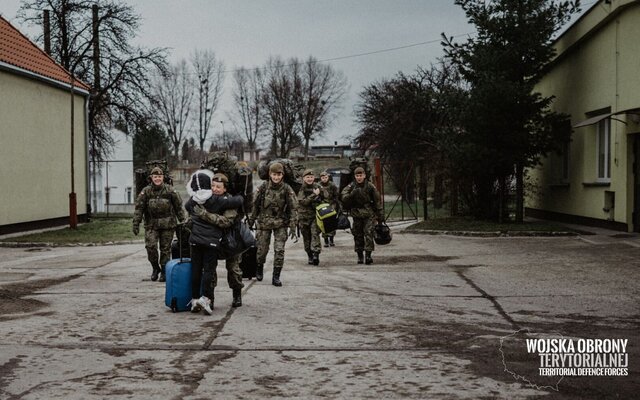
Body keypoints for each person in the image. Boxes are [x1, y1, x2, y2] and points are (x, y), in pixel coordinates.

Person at [184, 171, 244, 314]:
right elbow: (191, 212)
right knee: (209, 272)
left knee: (234, 270)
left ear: (225, 188)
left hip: (229, 241)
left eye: (219, 187)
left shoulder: (227, 201)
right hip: (211, 240)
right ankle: (209, 300)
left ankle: (237, 294)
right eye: (213, 186)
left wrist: (205, 215)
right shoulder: (206, 199)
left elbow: (226, 222)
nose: (215, 189)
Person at [247, 162, 298, 286]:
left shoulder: (286, 188)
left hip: (281, 223)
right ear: (270, 174)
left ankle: (276, 276)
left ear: (283, 175)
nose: (276, 177)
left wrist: (293, 225)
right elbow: (254, 206)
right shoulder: (263, 187)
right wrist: (250, 221)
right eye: (274, 174)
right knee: (262, 250)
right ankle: (259, 267)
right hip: (264, 223)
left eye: (279, 174)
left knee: (279, 250)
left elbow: (293, 207)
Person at [132, 166, 186, 282]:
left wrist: (183, 221)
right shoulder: (146, 191)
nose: (157, 179)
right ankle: (155, 268)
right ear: (151, 178)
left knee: (165, 249)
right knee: (150, 247)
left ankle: (164, 271)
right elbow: (139, 209)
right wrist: (136, 223)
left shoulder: (170, 190)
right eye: (155, 177)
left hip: (167, 225)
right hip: (151, 224)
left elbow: (179, 208)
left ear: (163, 177)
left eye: (159, 176)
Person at [340, 166, 384, 265]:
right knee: (358, 235)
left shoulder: (370, 186)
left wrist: (380, 215)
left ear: (364, 175)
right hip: (356, 214)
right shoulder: (351, 186)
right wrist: (352, 194)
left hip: (368, 214)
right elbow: (343, 197)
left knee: (369, 233)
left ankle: (368, 255)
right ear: (355, 176)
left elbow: (377, 201)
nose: (359, 177)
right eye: (357, 175)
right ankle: (360, 255)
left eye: (361, 175)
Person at [297, 169, 327, 265]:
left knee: (315, 234)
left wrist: (321, 193)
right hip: (303, 217)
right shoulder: (301, 188)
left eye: (311, 177)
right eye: (307, 177)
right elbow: (303, 201)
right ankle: (309, 255)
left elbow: (326, 196)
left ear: (314, 178)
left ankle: (315, 255)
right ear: (303, 178)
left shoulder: (318, 186)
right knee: (306, 237)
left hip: (315, 216)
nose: (309, 179)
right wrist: (314, 194)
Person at [319, 170, 340, 247]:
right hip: (323, 206)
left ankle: (331, 239)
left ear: (328, 177)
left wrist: (336, 205)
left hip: (331, 205)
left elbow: (336, 195)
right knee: (324, 223)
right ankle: (326, 240)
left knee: (331, 222)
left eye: (325, 177)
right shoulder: (318, 185)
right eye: (322, 177)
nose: (324, 179)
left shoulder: (332, 185)